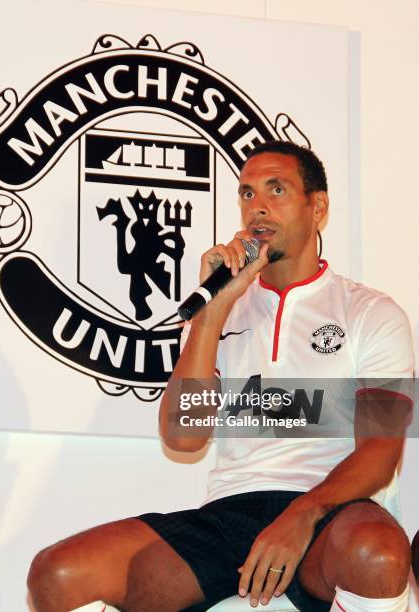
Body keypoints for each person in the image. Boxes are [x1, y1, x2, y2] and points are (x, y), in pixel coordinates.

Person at [27, 142, 414, 612]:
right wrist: (211, 317)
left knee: (376, 553)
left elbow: (381, 452)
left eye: (277, 190)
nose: (259, 207)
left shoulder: (371, 312)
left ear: (319, 207)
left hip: (331, 514)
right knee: (58, 574)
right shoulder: (221, 310)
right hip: (231, 513)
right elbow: (183, 438)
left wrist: (302, 514)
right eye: (247, 194)